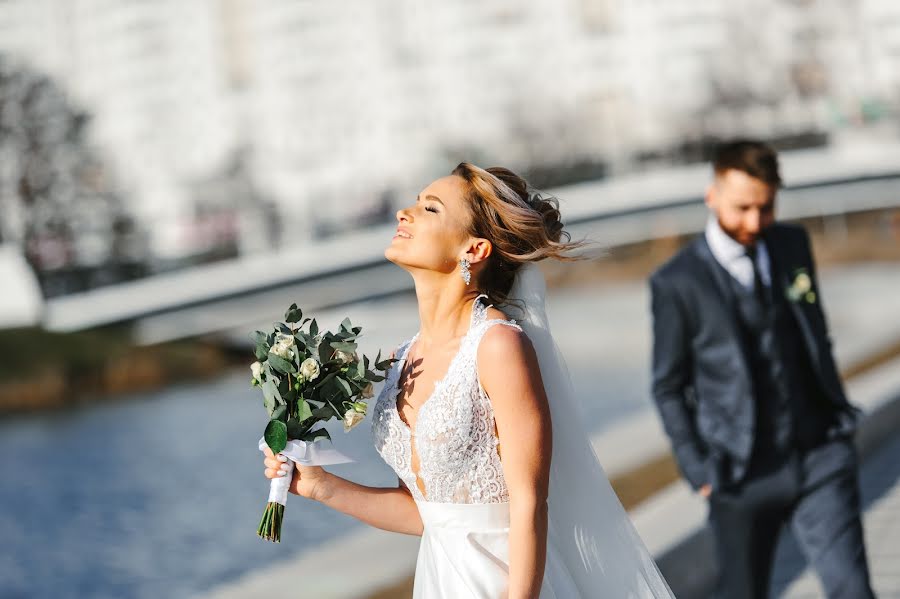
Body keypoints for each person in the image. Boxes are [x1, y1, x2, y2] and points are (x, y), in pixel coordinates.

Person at [264, 163, 674, 598]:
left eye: (430, 208)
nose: (405, 213)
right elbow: (426, 515)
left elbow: (529, 503)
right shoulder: (402, 359)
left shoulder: (498, 348)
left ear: (473, 250)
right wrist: (322, 487)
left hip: (507, 583)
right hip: (441, 581)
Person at [649, 140, 875, 599]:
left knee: (854, 591)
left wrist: (837, 428)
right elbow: (668, 386)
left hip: (820, 456)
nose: (754, 222)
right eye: (742, 207)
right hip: (739, 474)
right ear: (712, 195)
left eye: (766, 207)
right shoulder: (677, 282)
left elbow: (815, 333)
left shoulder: (793, 244)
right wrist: (700, 471)